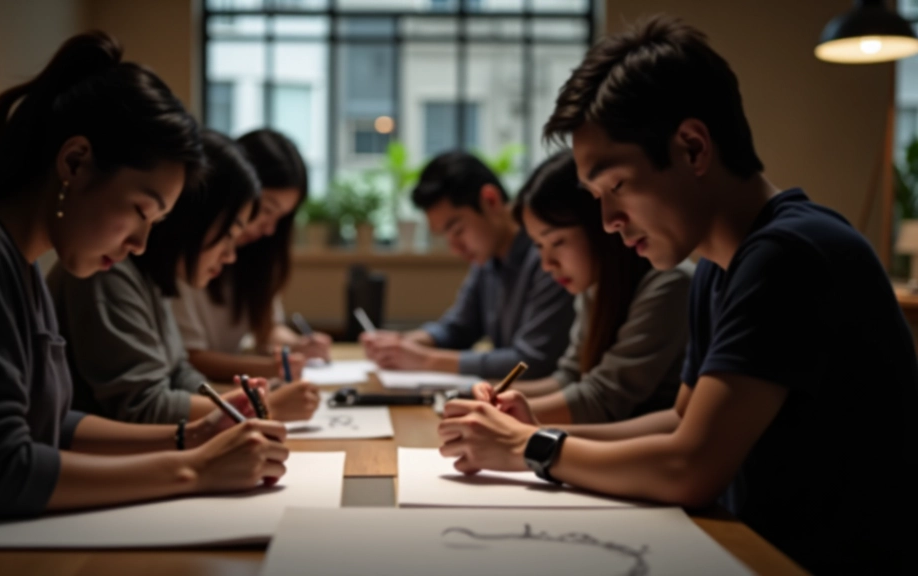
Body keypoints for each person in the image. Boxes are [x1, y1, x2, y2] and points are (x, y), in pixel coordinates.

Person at [437, 15, 918, 574]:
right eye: (595, 197)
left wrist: (527, 448)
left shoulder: (789, 255)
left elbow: (692, 466)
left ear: (692, 149)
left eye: (616, 187)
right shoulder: (720, 265)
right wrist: (538, 432)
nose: (610, 221)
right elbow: (678, 423)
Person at [0, 32, 287, 574]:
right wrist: (194, 470)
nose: (140, 246)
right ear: (75, 162)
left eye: (156, 224)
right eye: (140, 211)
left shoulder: (21, 261)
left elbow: (52, 422)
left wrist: (187, 436)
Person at [49, 130, 320, 424]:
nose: (231, 255)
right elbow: (144, 406)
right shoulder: (107, 269)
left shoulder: (151, 275)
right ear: (194, 218)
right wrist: (257, 409)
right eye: (227, 235)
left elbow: (179, 369)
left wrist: (234, 402)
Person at [508, 152, 691, 424]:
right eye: (538, 246)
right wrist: (494, 397)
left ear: (598, 229)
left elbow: (604, 397)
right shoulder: (594, 287)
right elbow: (571, 376)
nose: (547, 264)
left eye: (557, 242)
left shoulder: (669, 284)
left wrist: (506, 415)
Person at [362, 151, 574, 380]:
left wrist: (426, 360)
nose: (455, 248)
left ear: (490, 200)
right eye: (446, 236)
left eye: (457, 230)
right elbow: (458, 328)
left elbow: (532, 361)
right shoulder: (488, 260)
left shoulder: (550, 259)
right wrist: (401, 344)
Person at [173, 129, 331, 382]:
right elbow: (186, 359)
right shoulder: (185, 256)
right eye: (266, 210)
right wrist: (274, 368)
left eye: (280, 218)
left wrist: (297, 348)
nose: (269, 229)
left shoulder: (255, 257)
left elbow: (267, 329)